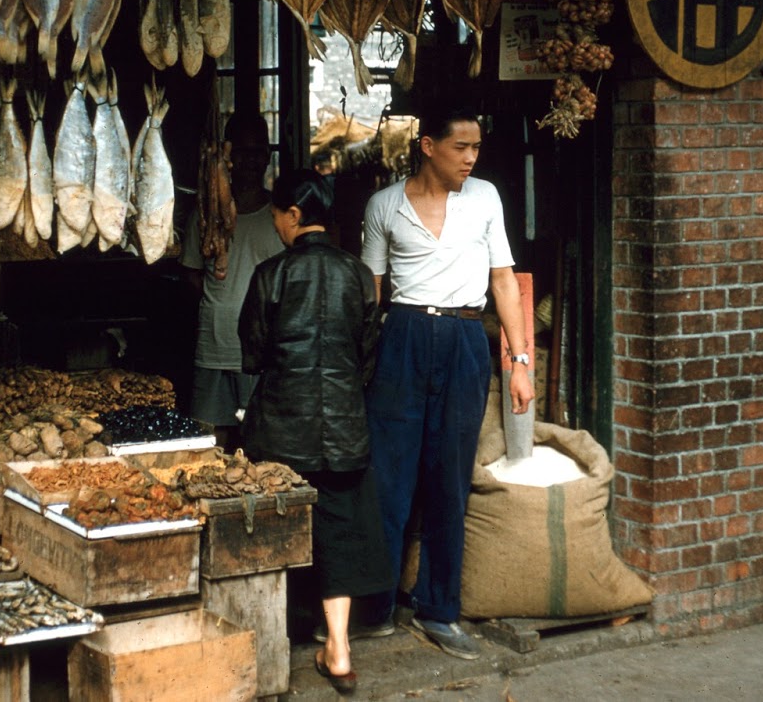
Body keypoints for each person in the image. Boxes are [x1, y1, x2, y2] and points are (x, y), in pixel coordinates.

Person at [355, 100, 532, 660]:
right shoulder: (384, 204)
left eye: (477, 147)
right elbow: (370, 290)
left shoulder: (484, 198)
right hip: (402, 337)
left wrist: (520, 362)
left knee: (449, 480)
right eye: (461, 147)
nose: (471, 158)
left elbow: (503, 281)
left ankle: (438, 609)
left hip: (463, 339)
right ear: (428, 146)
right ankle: (374, 606)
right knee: (389, 478)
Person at [238, 170, 391, 694]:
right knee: (339, 534)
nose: (278, 226)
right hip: (344, 429)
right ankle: (340, 649)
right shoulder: (358, 275)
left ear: (294, 216)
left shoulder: (270, 274)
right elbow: (367, 358)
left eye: (279, 217)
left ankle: (267, 647)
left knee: (270, 533)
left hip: (281, 429)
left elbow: (253, 356)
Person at [180, 111, 286, 448]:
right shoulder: (207, 214)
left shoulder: (282, 217)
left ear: (268, 156)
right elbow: (192, 273)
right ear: (228, 155)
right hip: (215, 344)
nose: (251, 161)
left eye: (258, 152)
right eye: (242, 152)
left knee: (262, 443)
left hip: (265, 349)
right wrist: (224, 303)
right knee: (211, 440)